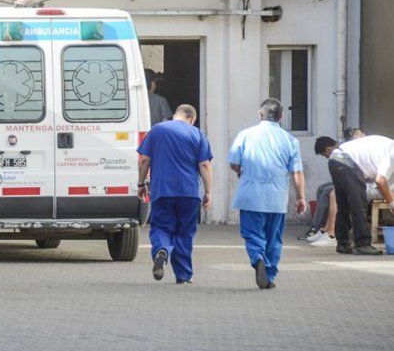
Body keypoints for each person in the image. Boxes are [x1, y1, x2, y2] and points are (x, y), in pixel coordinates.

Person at [229, 98, 306, 289]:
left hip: (251, 196)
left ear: (260, 114)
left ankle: (257, 257)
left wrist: (241, 171)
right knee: (274, 238)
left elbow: (234, 162)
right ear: (281, 116)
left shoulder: (245, 135)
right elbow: (297, 172)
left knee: (252, 234)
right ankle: (270, 276)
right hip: (277, 198)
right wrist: (301, 197)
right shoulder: (290, 140)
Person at [137, 104, 212, 284]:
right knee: (184, 233)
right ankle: (184, 275)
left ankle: (161, 250)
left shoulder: (157, 130)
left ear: (175, 115)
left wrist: (141, 183)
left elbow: (144, 159)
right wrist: (208, 191)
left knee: (162, 227)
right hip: (189, 192)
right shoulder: (197, 134)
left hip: (162, 190)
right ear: (192, 119)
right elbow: (204, 165)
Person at [319, 134, 394, 255]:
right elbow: (381, 181)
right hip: (348, 162)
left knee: (344, 205)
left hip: (335, 159)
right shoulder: (392, 152)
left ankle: (343, 243)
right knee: (358, 205)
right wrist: (391, 203)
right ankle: (363, 244)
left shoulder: (388, 145)